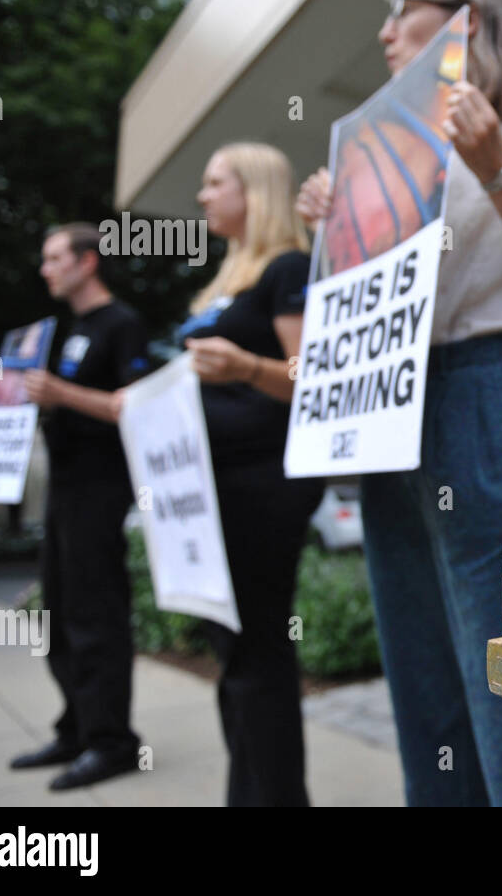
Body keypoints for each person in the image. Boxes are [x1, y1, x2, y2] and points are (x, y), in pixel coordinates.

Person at [297, 0, 502, 806]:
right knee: (430, 707)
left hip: (488, 396)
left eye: (403, 11)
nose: (384, 31)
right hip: (395, 410)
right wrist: (329, 235)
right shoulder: (393, 148)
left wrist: (498, 174)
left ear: (466, 16)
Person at [180, 141, 324, 806]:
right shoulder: (222, 281)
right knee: (233, 654)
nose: (203, 195)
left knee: (258, 651)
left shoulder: (289, 266)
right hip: (209, 488)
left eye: (215, 183)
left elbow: (309, 375)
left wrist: (243, 367)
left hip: (263, 482)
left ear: (255, 190)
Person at [9, 223, 149, 790]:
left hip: (100, 489)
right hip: (65, 492)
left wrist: (62, 396)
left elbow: (135, 405)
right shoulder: (68, 330)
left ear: (88, 262)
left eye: (54, 258)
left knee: (96, 615)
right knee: (59, 613)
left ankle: (112, 741)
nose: (45, 268)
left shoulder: (123, 325)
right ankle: (77, 727)